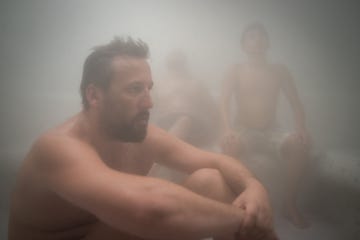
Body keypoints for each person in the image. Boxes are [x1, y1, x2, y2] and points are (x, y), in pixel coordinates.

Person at [8, 37, 277, 240]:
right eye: (135, 89)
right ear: (94, 96)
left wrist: (253, 186)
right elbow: (152, 208)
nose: (149, 102)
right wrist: (249, 221)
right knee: (159, 211)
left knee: (211, 181)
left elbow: (216, 161)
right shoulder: (57, 148)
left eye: (149, 89)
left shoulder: (137, 135)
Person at [220, 22, 312, 229]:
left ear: (268, 42)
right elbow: (224, 103)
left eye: (261, 36)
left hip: (272, 130)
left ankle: (289, 203)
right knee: (229, 146)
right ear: (243, 45)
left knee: (300, 145)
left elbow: (296, 103)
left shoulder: (279, 70)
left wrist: (301, 129)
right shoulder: (235, 70)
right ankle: (233, 204)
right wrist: (227, 129)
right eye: (251, 36)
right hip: (243, 128)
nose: (258, 40)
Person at [150, 50, 221, 183]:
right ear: (167, 64)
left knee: (184, 119)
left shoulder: (196, 83)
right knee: (179, 124)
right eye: (173, 62)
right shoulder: (157, 85)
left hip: (194, 129)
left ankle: (155, 165)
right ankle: (167, 158)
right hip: (166, 126)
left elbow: (213, 111)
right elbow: (148, 108)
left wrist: (216, 136)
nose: (176, 64)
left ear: (184, 64)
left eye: (179, 61)